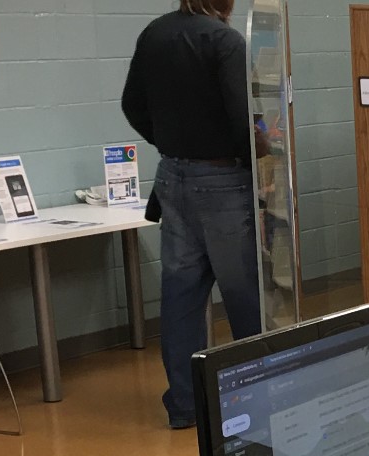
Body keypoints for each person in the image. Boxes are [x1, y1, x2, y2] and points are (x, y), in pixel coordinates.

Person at [121, 0, 262, 429]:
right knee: (246, 297)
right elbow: (242, 119)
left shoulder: (154, 33)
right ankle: (254, 401)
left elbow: (131, 105)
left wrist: (169, 141)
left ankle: (185, 405)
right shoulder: (226, 41)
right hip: (223, 182)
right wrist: (264, 161)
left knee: (181, 298)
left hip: (172, 177)